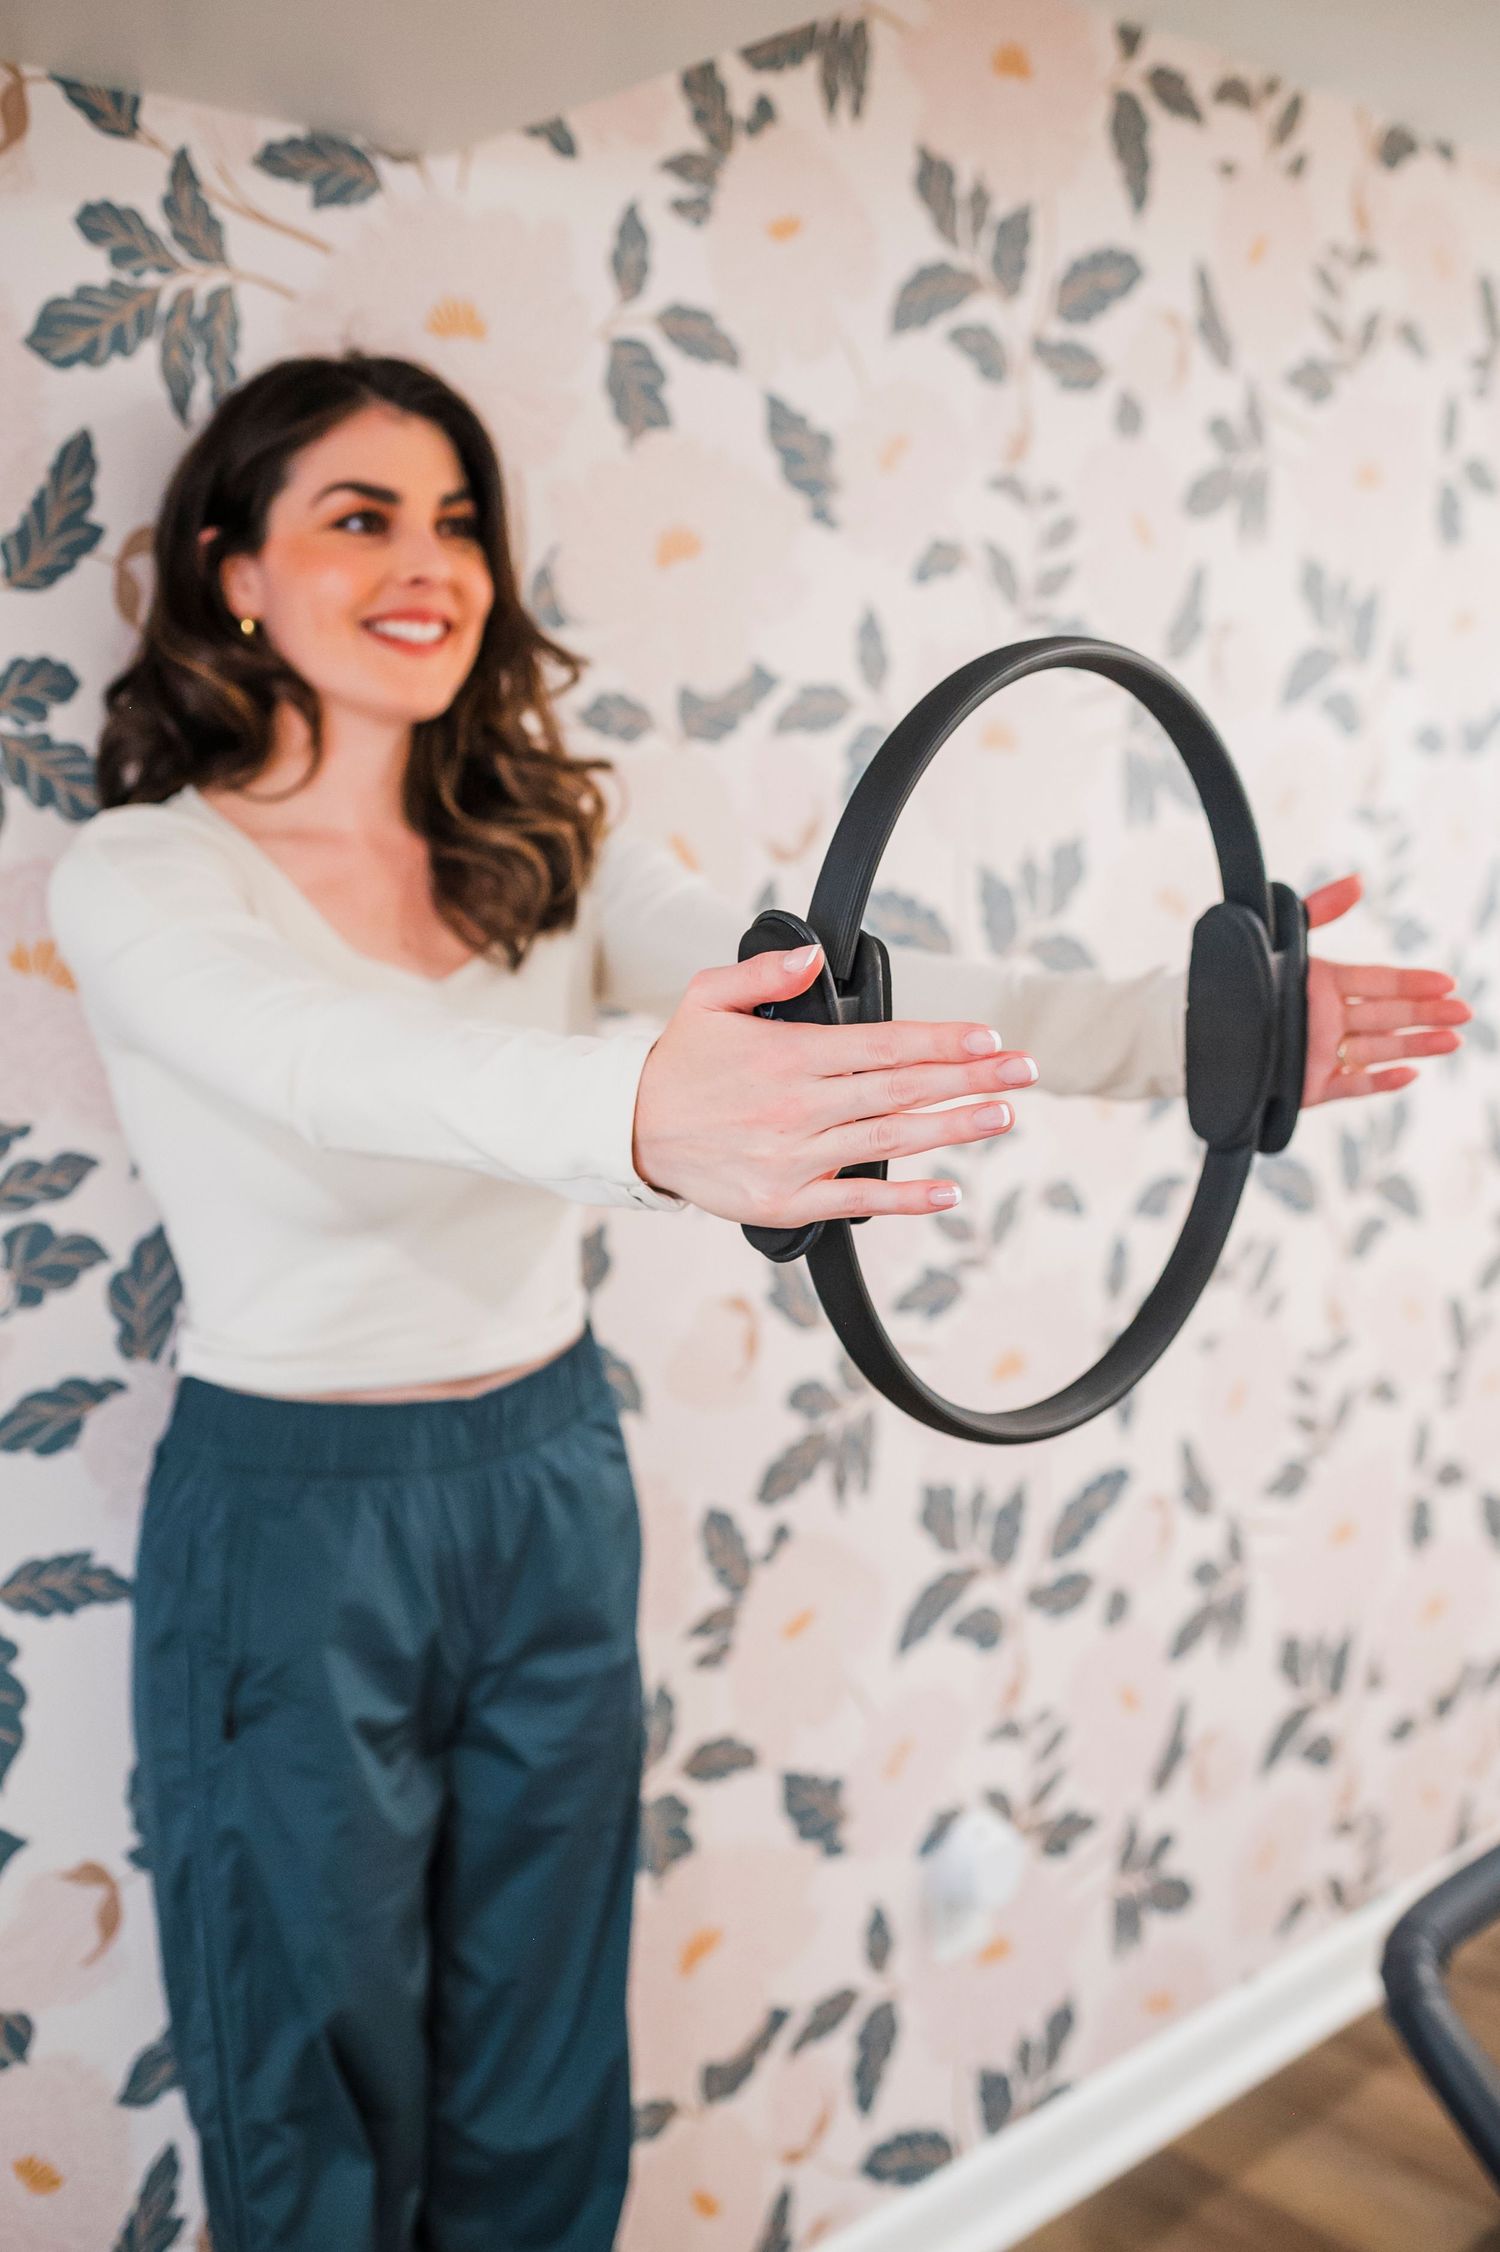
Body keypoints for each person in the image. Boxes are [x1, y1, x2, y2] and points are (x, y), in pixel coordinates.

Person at [44, 351, 1469, 2252]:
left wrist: (1184, 1029)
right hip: (295, 1530)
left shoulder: (546, 851)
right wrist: (643, 1110)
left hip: (550, 1475)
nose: (429, 562)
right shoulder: (144, 875)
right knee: (311, 2073)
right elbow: (333, 1065)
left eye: (458, 521)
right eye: (360, 518)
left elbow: (840, 987)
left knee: (545, 2061)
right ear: (235, 571)